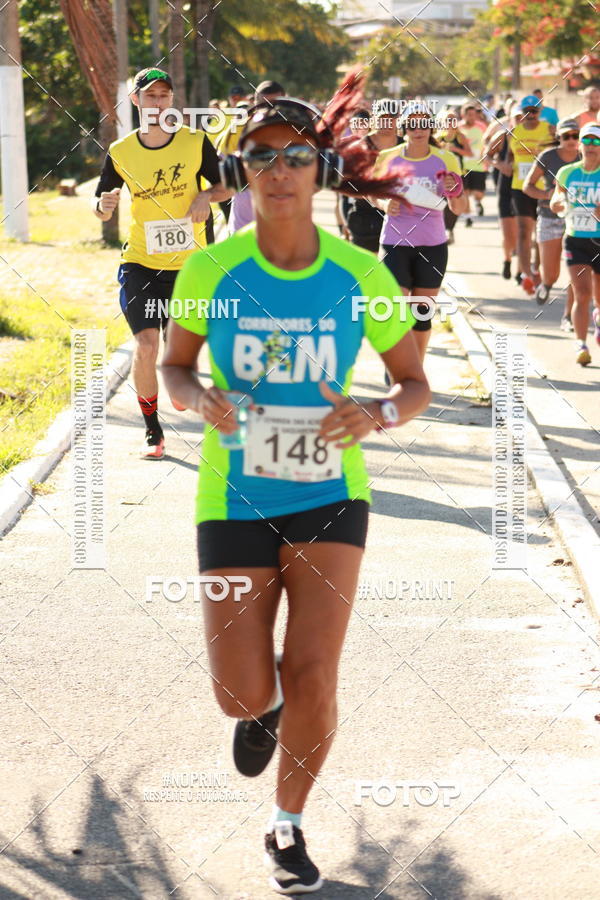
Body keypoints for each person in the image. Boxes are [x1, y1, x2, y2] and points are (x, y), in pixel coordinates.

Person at [162, 82, 431, 894]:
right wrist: (197, 397)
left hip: (330, 494)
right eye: (262, 156)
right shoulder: (211, 267)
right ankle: (262, 711)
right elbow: (174, 367)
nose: (279, 170)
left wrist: (377, 412)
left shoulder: (360, 272)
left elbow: (414, 383)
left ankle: (287, 825)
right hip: (233, 495)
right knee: (238, 692)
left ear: (320, 169)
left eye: (295, 155)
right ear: (241, 170)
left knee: (314, 672)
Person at [92, 67, 230, 458]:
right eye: (150, 95)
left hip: (190, 266)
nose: (158, 102)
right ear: (136, 100)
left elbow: (228, 185)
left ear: (172, 100)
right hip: (140, 262)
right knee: (146, 344)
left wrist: (205, 197)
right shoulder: (121, 151)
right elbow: (101, 203)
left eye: (164, 95)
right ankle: (153, 431)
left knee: (177, 348)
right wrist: (102, 206)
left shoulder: (195, 142)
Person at [373, 103, 468, 361]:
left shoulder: (447, 159)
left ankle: (415, 369)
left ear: (431, 127)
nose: (419, 130)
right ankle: (395, 367)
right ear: (404, 129)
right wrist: (384, 204)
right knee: (397, 310)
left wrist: (454, 191)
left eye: (424, 124)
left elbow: (459, 208)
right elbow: (372, 194)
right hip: (395, 243)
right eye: (413, 125)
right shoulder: (387, 157)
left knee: (421, 314)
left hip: (432, 244)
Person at [551, 122, 600, 366]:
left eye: (596, 141)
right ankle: (581, 344)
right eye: (586, 141)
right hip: (576, 239)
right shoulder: (566, 172)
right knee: (582, 293)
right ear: (579, 145)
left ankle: (597, 317)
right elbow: (556, 200)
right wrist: (557, 204)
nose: (591, 146)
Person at [523, 118, 580, 317]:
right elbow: (527, 186)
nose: (571, 140)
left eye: (575, 136)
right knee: (552, 274)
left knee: (576, 271)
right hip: (549, 217)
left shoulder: (586, 157)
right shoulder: (548, 156)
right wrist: (547, 195)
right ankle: (546, 284)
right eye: (566, 136)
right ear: (559, 137)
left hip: (577, 221)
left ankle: (568, 316)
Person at [506, 95, 554, 295]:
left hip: (544, 189)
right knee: (524, 231)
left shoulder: (550, 130)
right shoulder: (513, 132)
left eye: (534, 111)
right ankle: (526, 274)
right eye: (527, 111)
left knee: (540, 233)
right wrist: (504, 165)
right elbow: (509, 158)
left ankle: (536, 269)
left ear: (540, 112)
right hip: (520, 188)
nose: (530, 115)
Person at [225, 80, 286, 234]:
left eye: (275, 105)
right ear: (255, 104)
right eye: (263, 105)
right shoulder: (238, 128)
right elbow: (223, 166)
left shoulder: (296, 131)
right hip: (243, 226)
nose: (269, 111)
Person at [483, 100, 518, 279]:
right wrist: (501, 165)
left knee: (524, 232)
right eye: (517, 117)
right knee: (508, 231)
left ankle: (522, 270)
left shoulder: (536, 137)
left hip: (526, 189)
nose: (521, 120)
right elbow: (486, 156)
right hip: (505, 186)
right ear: (510, 118)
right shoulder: (503, 136)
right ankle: (507, 260)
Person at [436, 107, 472, 243]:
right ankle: (444, 230)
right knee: (443, 204)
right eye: (448, 120)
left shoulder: (460, 137)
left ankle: (450, 229)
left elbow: (469, 153)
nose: (451, 122)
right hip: (441, 176)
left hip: (458, 174)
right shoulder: (438, 138)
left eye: (453, 119)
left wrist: (455, 149)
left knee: (456, 203)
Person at [459, 102, 488, 225]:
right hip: (463, 166)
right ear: (463, 115)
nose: (472, 117)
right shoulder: (458, 128)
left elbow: (488, 142)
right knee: (465, 192)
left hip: (479, 165)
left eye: (474, 114)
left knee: (478, 193)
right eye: (469, 114)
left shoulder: (481, 127)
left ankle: (477, 202)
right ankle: (468, 217)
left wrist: (486, 155)